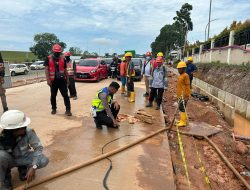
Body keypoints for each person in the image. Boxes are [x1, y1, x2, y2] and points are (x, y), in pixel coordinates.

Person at [0, 110, 49, 189]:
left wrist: (33, 166)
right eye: (22, 127)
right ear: (14, 129)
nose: (25, 128)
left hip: (24, 157)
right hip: (11, 160)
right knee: (1, 156)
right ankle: (5, 177)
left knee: (43, 160)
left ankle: (23, 168)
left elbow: (38, 148)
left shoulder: (29, 132)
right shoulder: (3, 137)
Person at [44, 44, 72, 116]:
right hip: (53, 81)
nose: (57, 53)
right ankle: (54, 108)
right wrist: (48, 80)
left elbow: (65, 70)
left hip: (62, 80)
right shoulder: (48, 58)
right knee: (53, 95)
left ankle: (68, 110)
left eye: (58, 52)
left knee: (65, 95)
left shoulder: (63, 59)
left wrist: (68, 80)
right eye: (56, 52)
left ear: (60, 52)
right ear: (53, 51)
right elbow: (46, 69)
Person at [176, 61, 191, 127]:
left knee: (182, 108)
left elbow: (188, 86)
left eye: (180, 69)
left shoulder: (186, 75)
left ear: (184, 68)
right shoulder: (180, 75)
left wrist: (187, 96)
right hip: (180, 95)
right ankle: (181, 120)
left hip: (184, 95)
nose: (179, 70)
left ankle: (183, 122)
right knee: (180, 107)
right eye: (178, 69)